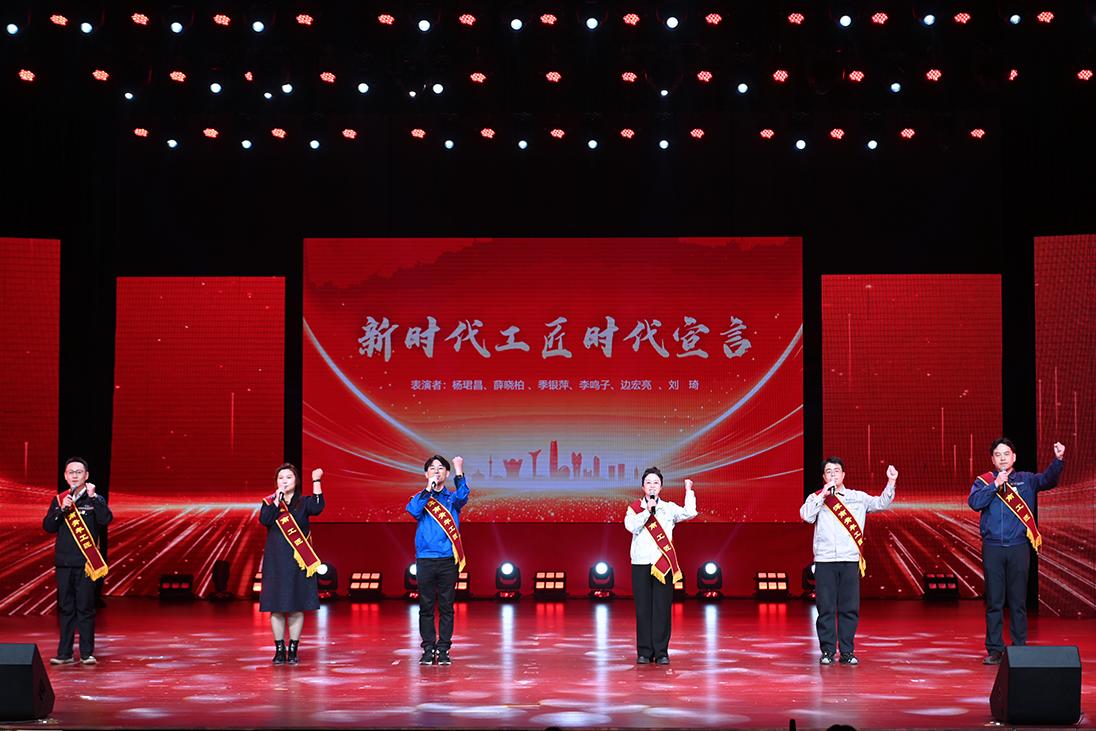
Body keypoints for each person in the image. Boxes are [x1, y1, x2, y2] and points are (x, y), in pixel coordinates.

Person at [968, 438, 1065, 665]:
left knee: (1018, 601)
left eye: (1006, 454)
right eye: (998, 455)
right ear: (993, 459)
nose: (1002, 458)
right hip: (992, 547)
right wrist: (995, 485)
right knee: (994, 601)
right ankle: (995, 650)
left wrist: (1058, 459)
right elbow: (974, 502)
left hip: (1019, 547)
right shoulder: (984, 481)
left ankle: (1019, 648)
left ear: (1014, 457)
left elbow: (1048, 480)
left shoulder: (1027, 480)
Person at [800, 457, 897, 666]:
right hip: (825, 560)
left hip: (850, 560)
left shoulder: (857, 497)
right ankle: (827, 651)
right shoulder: (816, 497)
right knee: (825, 609)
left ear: (843, 475)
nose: (833, 474)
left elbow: (881, 503)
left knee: (849, 608)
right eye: (828, 471)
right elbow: (806, 516)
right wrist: (823, 495)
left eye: (837, 471)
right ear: (824, 476)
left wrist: (891, 482)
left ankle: (847, 651)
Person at [42, 457, 113, 665]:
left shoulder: (95, 499)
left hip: (86, 564)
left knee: (85, 608)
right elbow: (48, 527)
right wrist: (62, 509)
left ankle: (86, 653)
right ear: (65, 476)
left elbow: (105, 519)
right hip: (64, 563)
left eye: (79, 472)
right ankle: (64, 654)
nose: (75, 475)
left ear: (86, 475)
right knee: (66, 608)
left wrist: (94, 498)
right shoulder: (59, 500)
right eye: (71, 472)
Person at [624, 467, 697, 665]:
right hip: (640, 563)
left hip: (662, 564)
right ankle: (644, 652)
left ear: (661, 487)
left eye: (656, 483)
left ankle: (661, 652)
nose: (652, 486)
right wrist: (647, 512)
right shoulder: (634, 508)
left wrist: (688, 491)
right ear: (642, 487)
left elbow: (690, 512)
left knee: (662, 608)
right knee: (643, 609)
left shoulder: (668, 508)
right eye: (648, 482)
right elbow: (631, 527)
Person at [258, 463, 325, 665]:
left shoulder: (303, 503)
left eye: (288, 477)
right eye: (281, 478)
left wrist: (316, 481)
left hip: (298, 562)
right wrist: (276, 501)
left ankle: (293, 649)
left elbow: (318, 507)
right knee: (276, 607)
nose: (284, 481)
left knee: (296, 606)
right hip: (276, 561)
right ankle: (280, 649)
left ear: (296, 481)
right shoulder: (270, 502)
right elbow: (265, 519)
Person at [406, 455, 468, 666]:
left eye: (441, 468)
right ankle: (428, 648)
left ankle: (443, 649)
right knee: (426, 606)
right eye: (432, 468)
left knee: (446, 607)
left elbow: (464, 496)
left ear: (446, 474)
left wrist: (459, 469)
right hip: (425, 559)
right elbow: (414, 511)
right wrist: (428, 489)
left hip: (447, 559)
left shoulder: (452, 499)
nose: (436, 471)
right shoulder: (420, 498)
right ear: (426, 474)